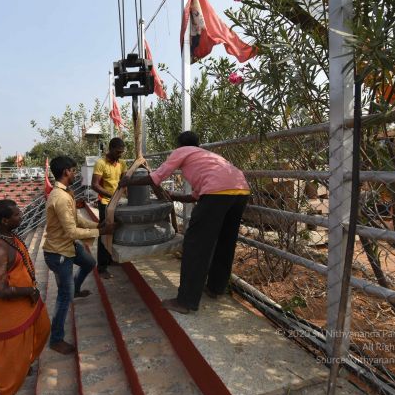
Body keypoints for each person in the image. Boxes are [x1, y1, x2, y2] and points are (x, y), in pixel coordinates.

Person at [119, 131, 250, 314]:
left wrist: (129, 182)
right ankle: (215, 288)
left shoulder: (182, 151)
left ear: (180, 145)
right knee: (225, 243)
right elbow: (195, 196)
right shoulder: (207, 157)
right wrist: (173, 196)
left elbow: (157, 176)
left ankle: (186, 301)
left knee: (195, 245)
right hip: (241, 190)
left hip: (217, 193)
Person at [44, 156, 115, 354]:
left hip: (67, 247)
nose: (75, 173)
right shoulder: (60, 197)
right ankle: (56, 339)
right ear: (66, 171)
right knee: (64, 296)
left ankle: (75, 289)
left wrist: (98, 225)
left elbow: (77, 220)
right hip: (58, 253)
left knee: (89, 262)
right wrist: (101, 232)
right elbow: (72, 232)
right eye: (73, 170)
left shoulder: (66, 193)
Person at [0, 199, 50, 395]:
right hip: (10, 311)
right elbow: (0, 291)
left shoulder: (9, 236)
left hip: (27, 301)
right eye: (17, 214)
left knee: (43, 329)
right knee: (9, 360)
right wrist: (28, 290)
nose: (21, 216)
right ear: (5, 220)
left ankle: (25, 362)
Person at [91, 137, 127, 278]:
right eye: (117, 152)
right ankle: (102, 267)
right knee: (105, 232)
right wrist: (112, 195)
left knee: (116, 231)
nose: (120, 154)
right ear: (110, 149)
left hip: (119, 202)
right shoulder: (101, 163)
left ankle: (110, 259)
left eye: (121, 152)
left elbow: (125, 182)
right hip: (105, 203)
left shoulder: (122, 163)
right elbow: (95, 185)